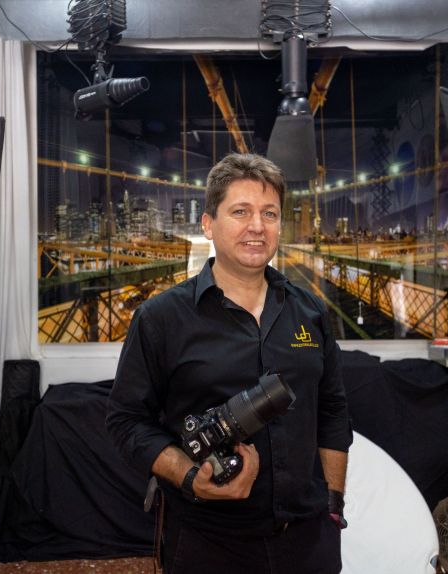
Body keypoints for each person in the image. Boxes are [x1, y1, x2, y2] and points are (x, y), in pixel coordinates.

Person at [106, 153, 352, 574]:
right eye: (240, 211)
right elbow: (126, 422)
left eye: (269, 213)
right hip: (207, 541)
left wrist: (332, 504)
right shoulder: (161, 318)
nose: (257, 226)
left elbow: (333, 411)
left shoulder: (310, 312)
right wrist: (189, 476)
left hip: (307, 538)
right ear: (208, 224)